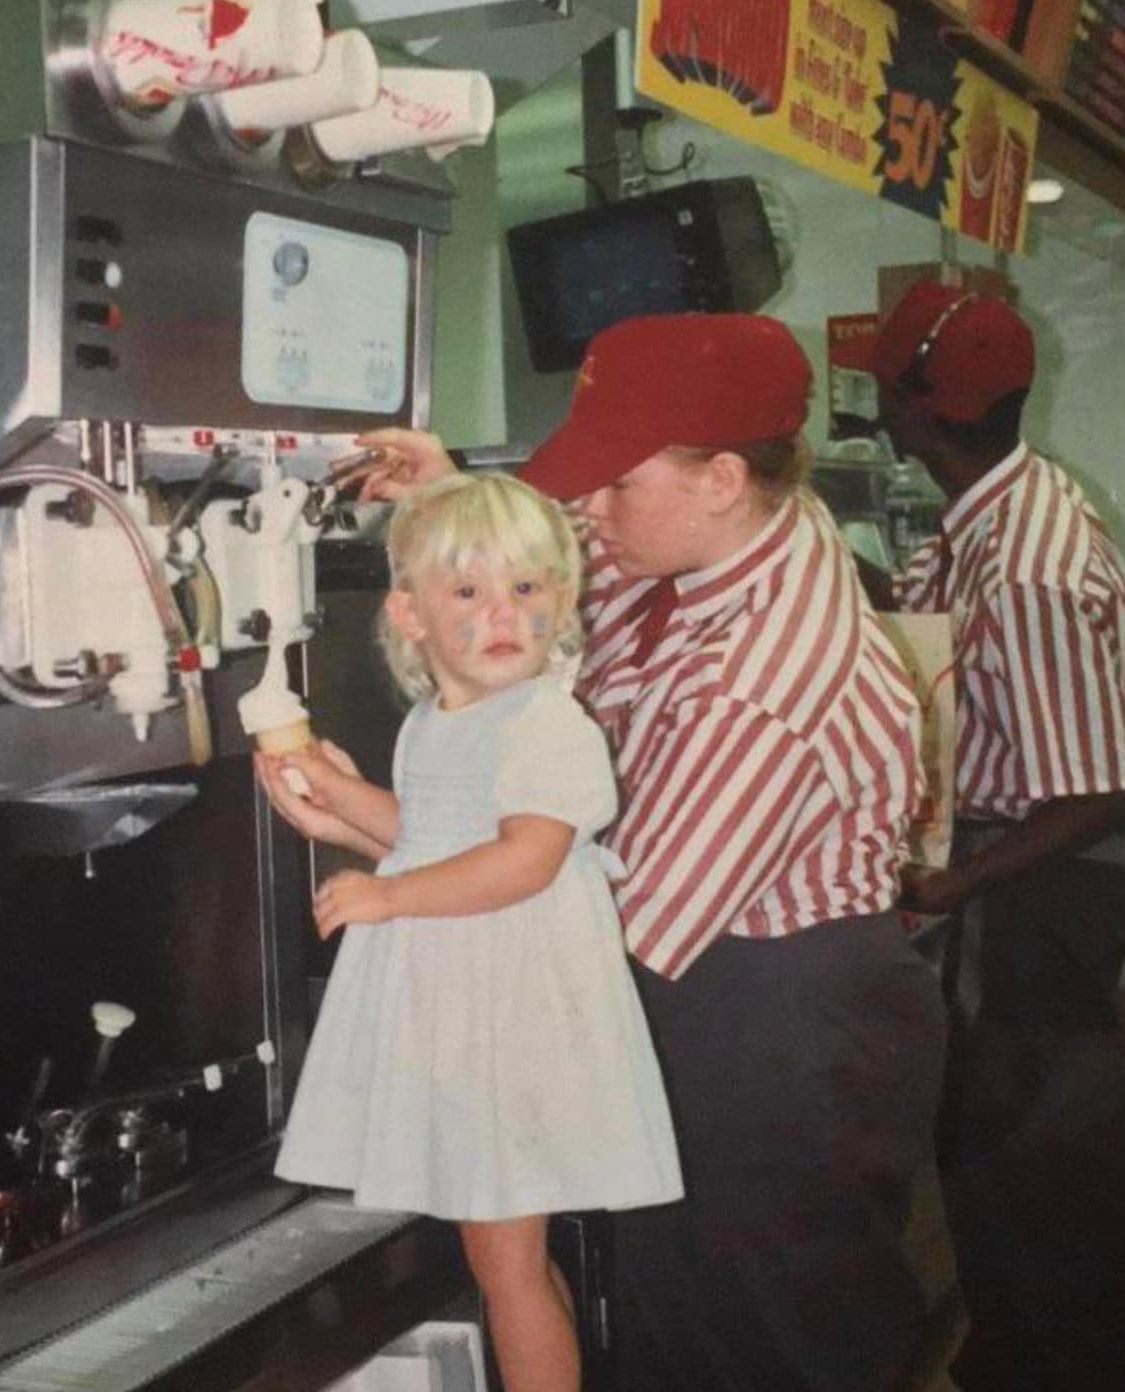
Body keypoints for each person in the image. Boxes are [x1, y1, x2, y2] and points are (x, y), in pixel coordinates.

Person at [276, 313, 947, 1392]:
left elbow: (587, 901)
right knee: (664, 1323)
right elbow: (543, 574)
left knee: (752, 1348)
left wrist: (375, 845)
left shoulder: (763, 678)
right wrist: (448, 498)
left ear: (722, 478)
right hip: (679, 989)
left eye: (613, 484)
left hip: (761, 1028)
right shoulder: (704, 532)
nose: (586, 515)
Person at [257, 472, 683, 1392]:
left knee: (507, 1264)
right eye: (469, 592)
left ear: (560, 603)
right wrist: (339, 809)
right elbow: (430, 834)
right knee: (502, 1259)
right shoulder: (436, 720)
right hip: (465, 1019)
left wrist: (389, 900)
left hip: (514, 1024)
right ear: (409, 615)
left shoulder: (545, 721)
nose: (504, 613)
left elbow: (524, 860)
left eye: (527, 590)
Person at [870, 280, 1125, 1392]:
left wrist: (957, 885)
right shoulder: (990, 513)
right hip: (1011, 890)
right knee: (1001, 1195)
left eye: (883, 388)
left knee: (1046, 1207)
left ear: (918, 406)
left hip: (1037, 904)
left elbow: (1101, 792)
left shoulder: (1027, 561)